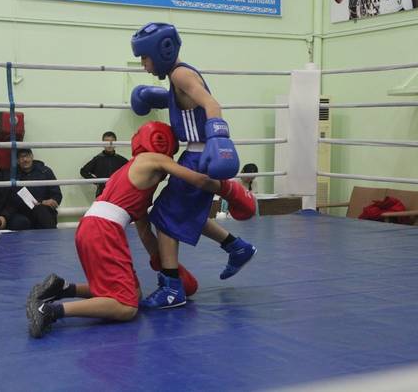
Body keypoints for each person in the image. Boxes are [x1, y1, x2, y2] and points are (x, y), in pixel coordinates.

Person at [25, 121, 256, 338]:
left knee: (132, 294)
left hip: (91, 227)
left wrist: (164, 265)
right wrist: (232, 190)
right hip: (104, 230)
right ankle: (50, 311)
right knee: (126, 307)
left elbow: (144, 230)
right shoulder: (154, 158)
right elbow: (199, 180)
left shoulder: (131, 173)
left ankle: (63, 288)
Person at [130, 23, 257, 309]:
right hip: (196, 155)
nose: (143, 65)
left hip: (200, 156)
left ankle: (172, 287)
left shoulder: (180, 74)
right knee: (183, 213)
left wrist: (218, 140)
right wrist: (153, 97)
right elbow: (186, 104)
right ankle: (237, 247)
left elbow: (211, 104)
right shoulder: (177, 77)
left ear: (160, 52)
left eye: (145, 58)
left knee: (165, 217)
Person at [14, 148, 62, 229]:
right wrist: (41, 202)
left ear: (32, 157)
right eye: (21, 157)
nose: (25, 159)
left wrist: (53, 201)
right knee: (20, 221)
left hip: (44, 212)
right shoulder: (14, 175)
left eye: (27, 156)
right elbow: (15, 199)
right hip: (23, 212)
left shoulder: (45, 171)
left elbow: (57, 195)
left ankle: (53, 236)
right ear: (17, 161)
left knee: (41, 210)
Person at [80, 131, 129, 197]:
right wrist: (97, 182)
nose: (109, 144)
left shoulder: (121, 160)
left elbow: (131, 170)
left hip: (117, 194)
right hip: (102, 193)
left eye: (112, 141)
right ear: (102, 143)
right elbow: (83, 171)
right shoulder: (98, 159)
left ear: (116, 143)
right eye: (106, 142)